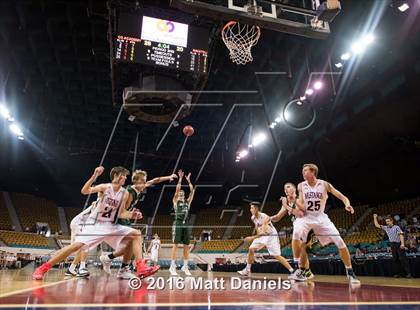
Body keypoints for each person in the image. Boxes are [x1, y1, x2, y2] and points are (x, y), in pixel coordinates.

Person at [32, 166, 150, 280]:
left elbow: (121, 213)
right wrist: (94, 176)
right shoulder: (105, 187)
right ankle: (43, 268)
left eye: (125, 176)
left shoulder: (124, 193)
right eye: (123, 176)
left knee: (136, 234)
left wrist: (133, 215)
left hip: (110, 225)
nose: (125, 178)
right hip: (95, 225)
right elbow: (84, 191)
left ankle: (139, 266)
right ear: (116, 176)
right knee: (76, 246)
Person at [99, 170, 176, 279]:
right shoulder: (130, 192)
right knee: (136, 237)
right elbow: (120, 212)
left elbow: (155, 180)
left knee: (129, 245)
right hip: (116, 220)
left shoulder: (140, 187)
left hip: (123, 219)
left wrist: (169, 176)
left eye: (145, 181)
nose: (144, 184)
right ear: (135, 182)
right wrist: (133, 214)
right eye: (142, 182)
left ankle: (111, 260)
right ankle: (138, 266)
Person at [291, 163, 360, 284]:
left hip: (321, 218)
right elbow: (302, 206)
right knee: (296, 232)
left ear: (313, 172)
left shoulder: (324, 184)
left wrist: (347, 204)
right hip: (306, 217)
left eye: (306, 170)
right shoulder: (301, 186)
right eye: (303, 171)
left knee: (340, 241)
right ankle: (297, 269)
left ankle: (350, 273)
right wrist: (294, 201)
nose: (303, 172)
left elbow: (341, 196)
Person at [237, 202, 296, 278]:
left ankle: (292, 271)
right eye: (250, 208)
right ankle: (247, 270)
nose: (250, 210)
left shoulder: (265, 217)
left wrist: (251, 238)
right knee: (251, 249)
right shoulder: (253, 218)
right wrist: (256, 235)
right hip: (262, 235)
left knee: (276, 255)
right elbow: (258, 228)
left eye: (252, 208)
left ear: (257, 209)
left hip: (271, 236)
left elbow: (264, 233)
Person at [270, 182, 314, 280]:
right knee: (302, 250)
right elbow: (277, 217)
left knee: (298, 247)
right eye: (285, 188)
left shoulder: (299, 199)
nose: (286, 189)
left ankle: (298, 271)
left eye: (288, 187)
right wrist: (268, 218)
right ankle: (307, 272)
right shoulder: (287, 203)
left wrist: (285, 205)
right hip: (299, 226)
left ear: (294, 189)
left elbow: (299, 214)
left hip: (306, 225)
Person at [169, 170, 195, 276]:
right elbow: (177, 190)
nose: (180, 194)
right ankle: (172, 266)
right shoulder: (175, 201)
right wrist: (180, 178)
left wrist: (188, 181)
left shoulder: (187, 202)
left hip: (186, 224)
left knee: (186, 245)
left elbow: (192, 192)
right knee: (175, 245)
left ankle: (185, 266)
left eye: (182, 194)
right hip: (178, 223)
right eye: (179, 193)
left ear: (184, 195)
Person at [65, 200, 98, 278]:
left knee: (81, 248)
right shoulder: (100, 203)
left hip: (79, 223)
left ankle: (71, 269)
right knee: (85, 244)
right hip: (79, 223)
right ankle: (82, 268)